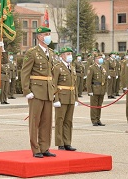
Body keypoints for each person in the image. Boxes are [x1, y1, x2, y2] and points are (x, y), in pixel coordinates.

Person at [21, 26, 56, 158]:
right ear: (39, 37)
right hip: (35, 90)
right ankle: (36, 149)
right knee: (35, 121)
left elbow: (52, 73)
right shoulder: (32, 52)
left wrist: (53, 89)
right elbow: (25, 72)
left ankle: (45, 147)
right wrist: (26, 90)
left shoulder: (51, 52)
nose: (48, 37)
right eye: (46, 34)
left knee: (47, 121)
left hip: (47, 90)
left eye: (49, 34)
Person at [53, 47, 78, 151]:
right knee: (60, 120)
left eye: (70, 54)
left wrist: (75, 98)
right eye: (68, 54)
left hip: (70, 97)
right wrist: (56, 99)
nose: (70, 56)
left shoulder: (72, 67)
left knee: (68, 121)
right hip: (61, 97)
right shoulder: (57, 67)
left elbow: (74, 84)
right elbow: (53, 84)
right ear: (62, 56)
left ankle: (67, 142)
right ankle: (60, 143)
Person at [87, 52, 107, 126]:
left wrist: (105, 89)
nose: (101, 59)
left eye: (101, 58)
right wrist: (90, 91)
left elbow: (105, 79)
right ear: (95, 59)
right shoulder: (92, 68)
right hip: (95, 89)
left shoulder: (102, 68)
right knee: (94, 106)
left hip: (101, 89)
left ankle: (98, 119)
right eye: (99, 58)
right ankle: (94, 120)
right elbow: (88, 80)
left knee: (99, 106)